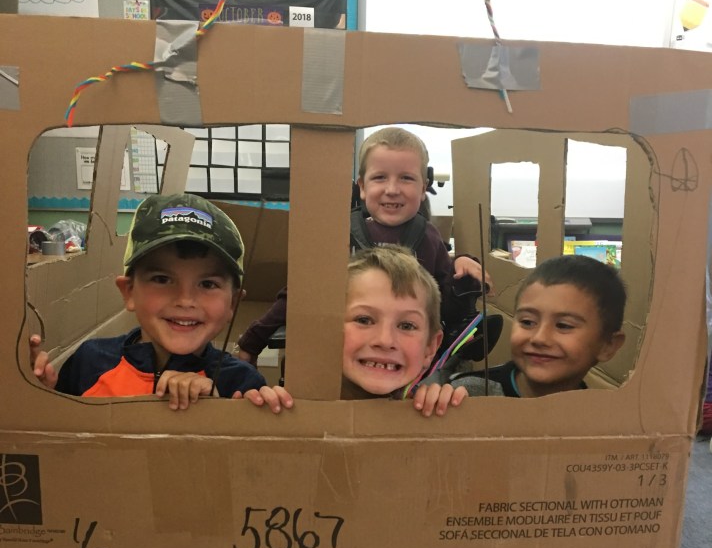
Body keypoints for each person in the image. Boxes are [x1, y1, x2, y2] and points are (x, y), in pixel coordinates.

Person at [236, 126, 489, 365]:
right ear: (362, 187)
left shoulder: (430, 239)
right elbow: (300, 292)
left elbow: (446, 307)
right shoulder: (338, 234)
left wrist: (463, 267)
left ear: (423, 188)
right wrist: (252, 342)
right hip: (339, 355)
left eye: (406, 178)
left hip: (404, 361)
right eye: (380, 177)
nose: (392, 189)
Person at [29, 192, 284, 412]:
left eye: (207, 284)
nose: (185, 300)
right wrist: (40, 394)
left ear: (233, 304)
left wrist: (228, 411)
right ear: (128, 292)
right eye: (162, 279)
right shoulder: (89, 362)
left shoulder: (240, 383)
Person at [250, 246, 467, 417]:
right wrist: (266, 407)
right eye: (364, 319)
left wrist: (445, 410)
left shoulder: (430, 408)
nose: (385, 340)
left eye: (406, 326)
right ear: (327, 330)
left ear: (431, 347)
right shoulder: (289, 403)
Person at [450, 255, 627, 398]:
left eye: (564, 326)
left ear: (608, 345)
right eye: (527, 322)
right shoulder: (466, 394)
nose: (539, 338)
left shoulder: (603, 418)